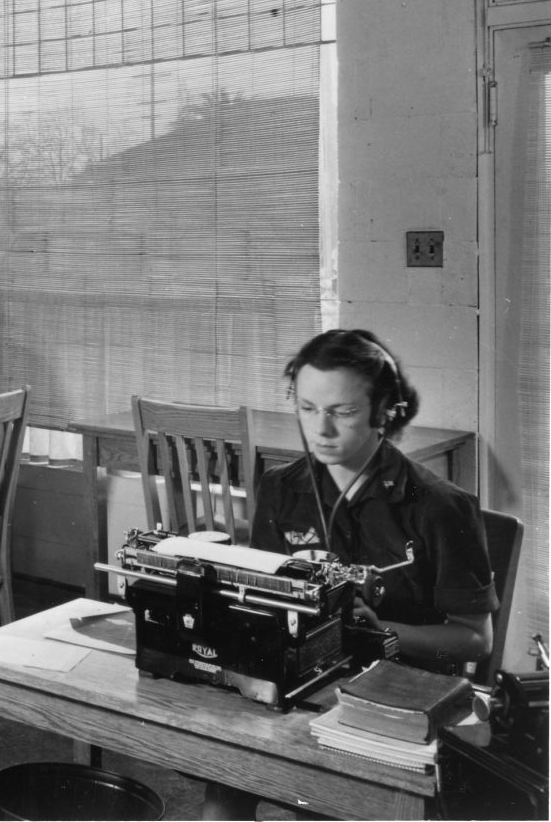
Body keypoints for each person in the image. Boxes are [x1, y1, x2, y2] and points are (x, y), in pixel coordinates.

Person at [205, 327, 497, 820]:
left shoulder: (441, 507)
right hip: (307, 688)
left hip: (400, 704)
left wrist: (380, 631)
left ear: (385, 411)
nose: (321, 430)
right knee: (220, 792)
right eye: (307, 408)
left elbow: (474, 641)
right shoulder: (280, 488)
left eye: (342, 412)